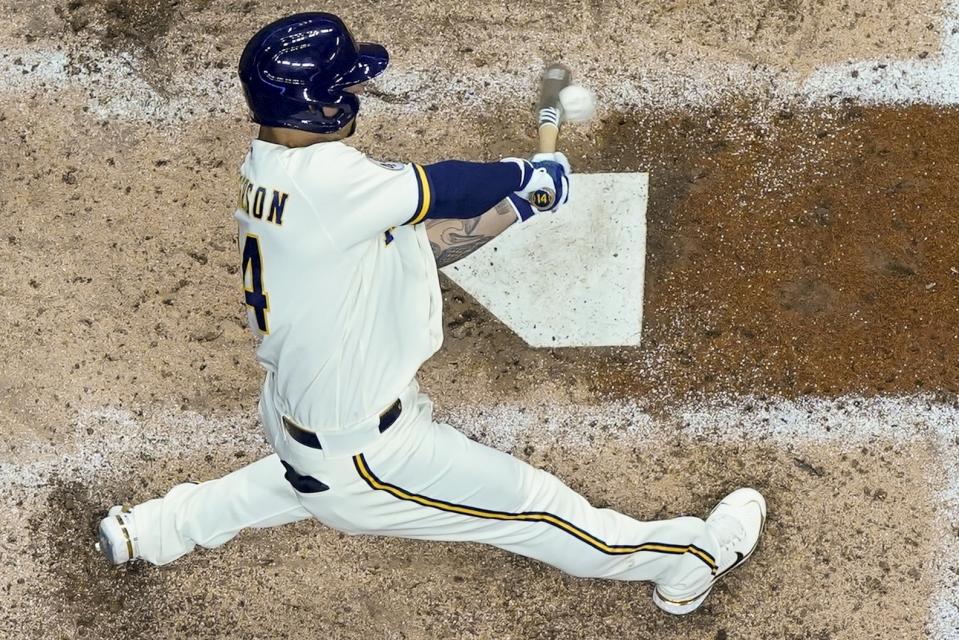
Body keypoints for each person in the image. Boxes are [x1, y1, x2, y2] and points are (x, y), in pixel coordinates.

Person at [95, 12, 766, 615]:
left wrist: (522, 203)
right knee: (541, 514)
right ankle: (689, 563)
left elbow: (415, 247)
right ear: (324, 102)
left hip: (308, 417)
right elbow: (444, 185)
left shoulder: (276, 172)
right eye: (348, 86)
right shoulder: (331, 182)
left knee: (307, 478)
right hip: (372, 451)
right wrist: (527, 172)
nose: (356, 95)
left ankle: (156, 529)